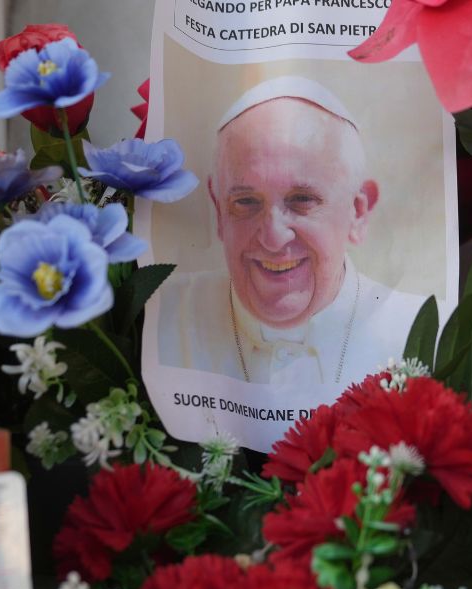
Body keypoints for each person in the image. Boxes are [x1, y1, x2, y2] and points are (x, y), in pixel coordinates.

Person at [158, 77, 426, 385]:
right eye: (246, 201)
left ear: (358, 212)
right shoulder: (158, 318)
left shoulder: (424, 330)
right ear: (219, 210)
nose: (273, 238)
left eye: (302, 200)